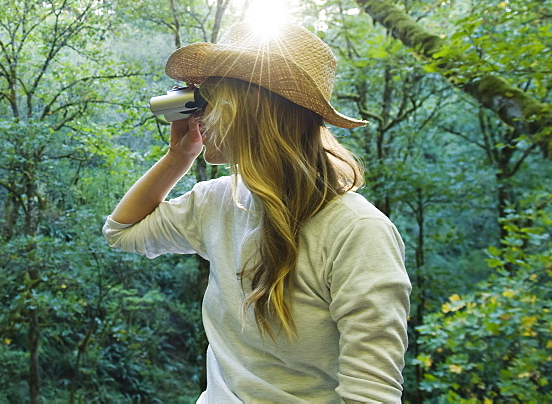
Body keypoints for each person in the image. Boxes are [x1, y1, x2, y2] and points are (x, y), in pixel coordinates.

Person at [103, 21, 411, 403]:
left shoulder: (357, 232)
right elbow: (122, 232)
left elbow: (371, 396)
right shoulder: (216, 201)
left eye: (206, 99)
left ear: (247, 110)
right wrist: (178, 156)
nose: (195, 115)